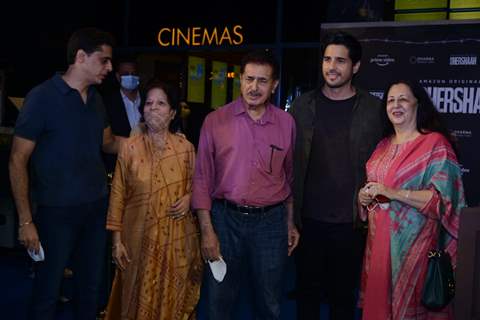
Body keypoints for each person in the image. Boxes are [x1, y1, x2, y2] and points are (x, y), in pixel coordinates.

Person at [9, 27, 123, 320]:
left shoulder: (96, 99)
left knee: (90, 291)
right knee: (47, 293)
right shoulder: (42, 97)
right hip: (55, 214)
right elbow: (17, 161)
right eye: (104, 60)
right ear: (81, 57)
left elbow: (108, 143)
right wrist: (25, 221)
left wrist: (150, 142)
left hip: (95, 210)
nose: (110, 68)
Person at [192, 50, 300, 320]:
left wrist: (289, 222)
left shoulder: (286, 124)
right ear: (240, 80)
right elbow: (202, 179)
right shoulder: (215, 121)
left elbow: (288, 178)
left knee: (270, 302)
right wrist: (207, 231)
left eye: (262, 81)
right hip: (224, 221)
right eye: (249, 79)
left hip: (271, 224)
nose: (254, 87)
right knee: (220, 301)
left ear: (274, 85)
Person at [289, 31, 383, 320]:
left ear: (355, 67)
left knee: (343, 301)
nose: (332, 66)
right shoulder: (302, 107)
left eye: (340, 61)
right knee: (307, 299)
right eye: (327, 59)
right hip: (308, 223)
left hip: (351, 224)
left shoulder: (373, 110)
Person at [357, 80, 465, 320]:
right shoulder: (383, 145)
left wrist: (394, 192)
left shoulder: (435, 144)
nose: (396, 105)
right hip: (378, 245)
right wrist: (363, 196)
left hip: (414, 249)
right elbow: (374, 186)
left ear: (418, 104)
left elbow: (445, 201)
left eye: (403, 99)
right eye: (391, 100)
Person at [105, 80, 202, 320]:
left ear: (172, 113)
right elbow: (118, 194)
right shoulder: (130, 147)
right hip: (136, 238)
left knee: (172, 297)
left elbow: (199, 185)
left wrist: (190, 198)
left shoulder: (186, 148)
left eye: (160, 103)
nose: (153, 108)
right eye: (148, 103)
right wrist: (116, 241)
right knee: (134, 294)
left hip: (176, 238)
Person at [102, 56, 143, 175]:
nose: (130, 76)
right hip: (118, 170)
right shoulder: (107, 103)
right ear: (117, 76)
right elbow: (106, 141)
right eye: (126, 73)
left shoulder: (149, 101)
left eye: (133, 73)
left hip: (147, 171)